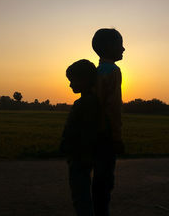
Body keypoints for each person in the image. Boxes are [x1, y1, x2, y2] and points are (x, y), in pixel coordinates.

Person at [91, 28, 125, 216]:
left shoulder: (96, 72)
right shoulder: (113, 70)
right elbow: (113, 108)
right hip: (106, 134)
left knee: (98, 177)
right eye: (120, 45)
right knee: (105, 179)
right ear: (108, 47)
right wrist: (117, 137)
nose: (124, 49)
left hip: (94, 132)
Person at [60, 59, 100, 216]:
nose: (70, 85)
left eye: (72, 80)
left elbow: (81, 132)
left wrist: (67, 147)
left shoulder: (86, 104)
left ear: (84, 80)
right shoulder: (91, 102)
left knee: (80, 195)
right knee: (81, 193)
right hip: (83, 155)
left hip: (79, 156)